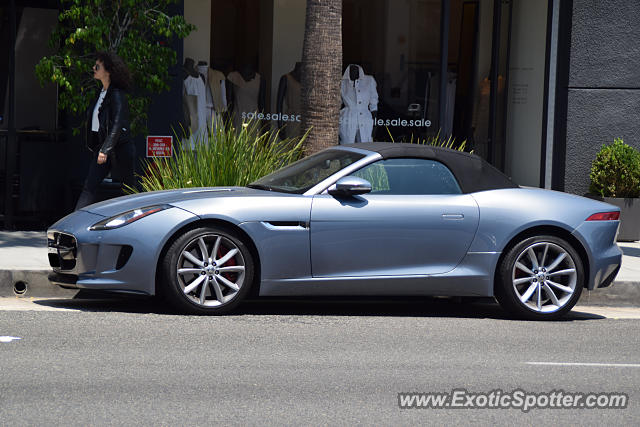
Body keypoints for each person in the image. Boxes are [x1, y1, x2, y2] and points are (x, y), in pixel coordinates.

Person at [75, 52, 136, 210]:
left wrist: (105, 149)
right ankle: (74, 222)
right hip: (103, 147)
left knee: (129, 190)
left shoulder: (116, 94)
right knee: (89, 186)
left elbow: (117, 123)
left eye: (97, 66)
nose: (93, 68)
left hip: (119, 149)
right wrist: (100, 147)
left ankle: (136, 223)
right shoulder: (101, 93)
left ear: (107, 71)